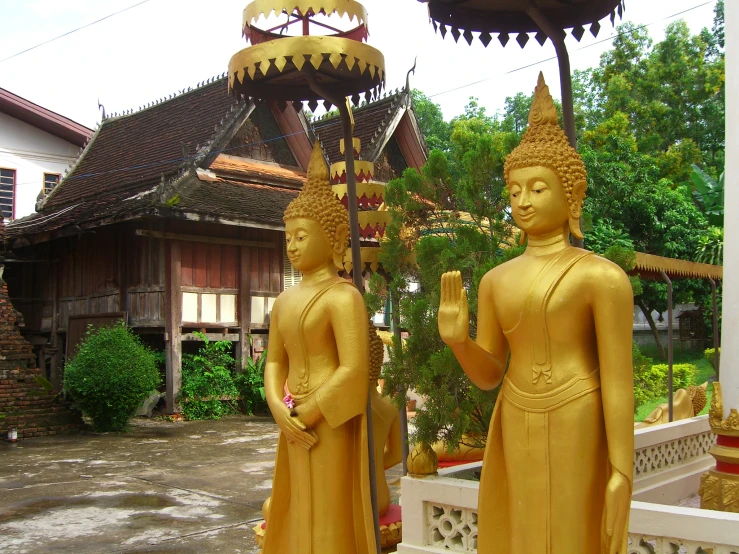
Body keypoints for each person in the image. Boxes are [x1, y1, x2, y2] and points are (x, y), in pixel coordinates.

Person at [438, 73, 634, 554]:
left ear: (572, 195)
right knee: (521, 529)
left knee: (572, 531)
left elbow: (618, 380)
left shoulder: (600, 277)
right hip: (515, 413)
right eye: (514, 191)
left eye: (538, 188)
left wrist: (622, 468)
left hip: (578, 414)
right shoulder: (495, 281)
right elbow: (490, 374)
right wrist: (460, 342)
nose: (522, 201)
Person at [261, 141, 376, 554]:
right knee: (295, 504)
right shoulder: (283, 301)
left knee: (329, 507)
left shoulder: (343, 298)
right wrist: (278, 407)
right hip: (292, 416)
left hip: (327, 416)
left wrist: (309, 412)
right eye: (288, 236)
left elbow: (354, 369)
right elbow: (274, 361)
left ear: (332, 238)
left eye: (301, 236)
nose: (291, 245)